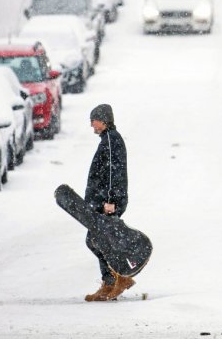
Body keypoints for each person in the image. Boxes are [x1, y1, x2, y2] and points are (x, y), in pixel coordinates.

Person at [83, 103, 133, 302]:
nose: (91, 125)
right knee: (99, 240)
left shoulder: (112, 140)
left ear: (103, 120)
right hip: (103, 200)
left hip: (108, 201)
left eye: (93, 120)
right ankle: (110, 280)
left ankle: (119, 278)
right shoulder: (108, 139)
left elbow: (114, 171)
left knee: (98, 240)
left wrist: (111, 200)